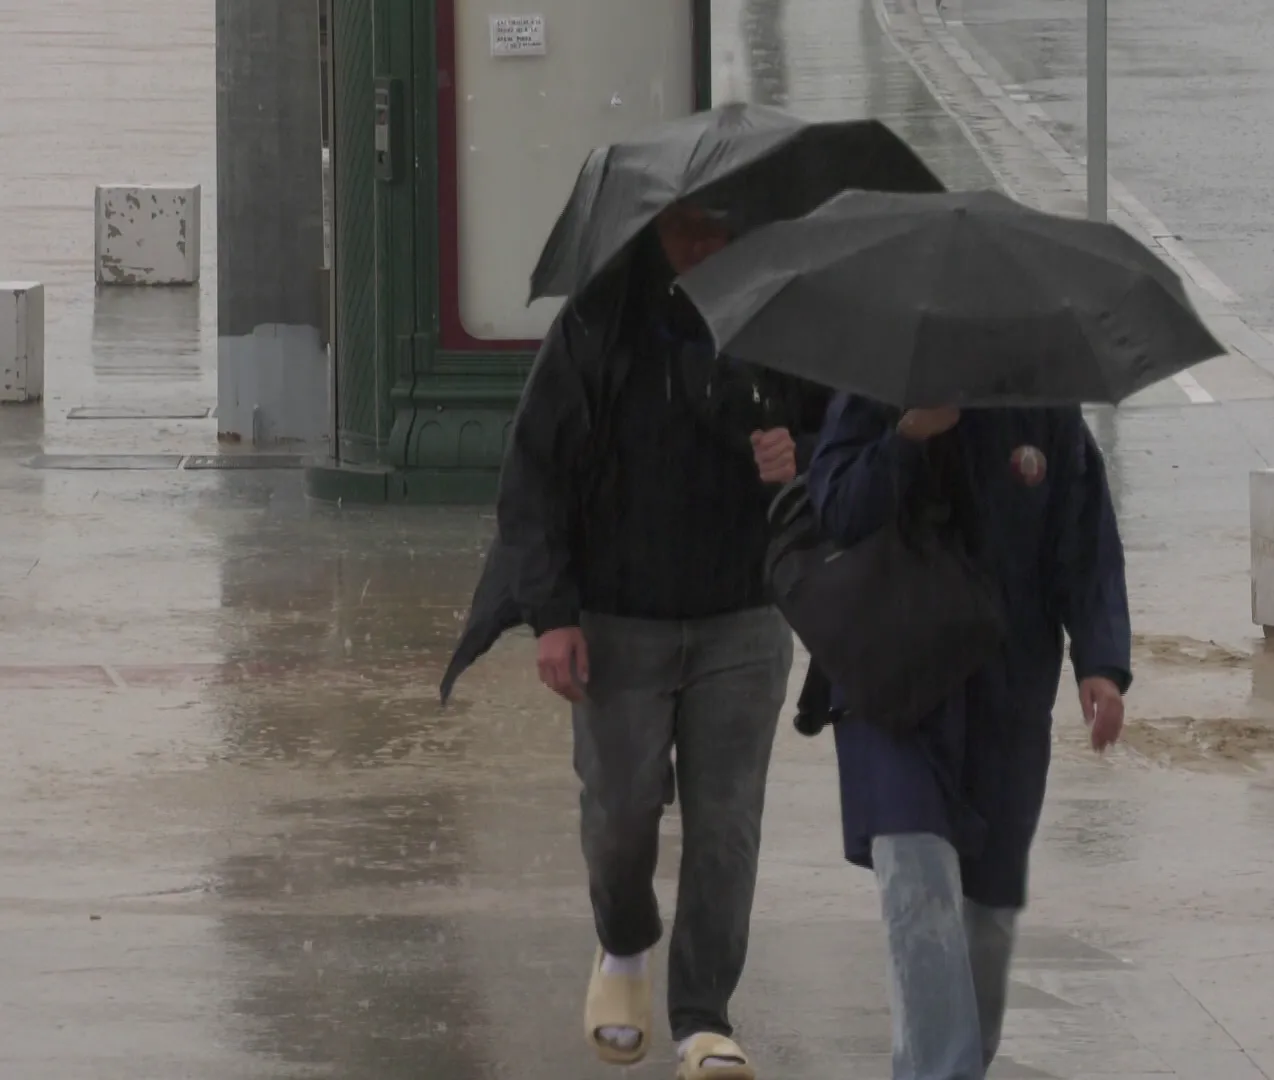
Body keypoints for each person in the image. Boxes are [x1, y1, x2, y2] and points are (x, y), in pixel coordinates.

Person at [443, 203, 827, 1079]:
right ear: (651, 228)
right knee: (620, 816)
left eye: (722, 226)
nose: (704, 243)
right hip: (618, 621)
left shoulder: (778, 321)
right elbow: (534, 475)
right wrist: (553, 615)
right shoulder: (597, 326)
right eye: (686, 226)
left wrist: (798, 451)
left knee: (727, 828)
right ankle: (622, 946)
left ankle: (703, 1019)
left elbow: (844, 437)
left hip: (744, 615)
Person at [807, 397, 1131, 1080]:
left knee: (989, 917)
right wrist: (906, 440)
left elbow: (1084, 545)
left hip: (1007, 694)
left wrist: (1100, 662)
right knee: (917, 886)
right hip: (893, 688)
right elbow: (837, 512)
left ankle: (958, 1066)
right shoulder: (873, 388)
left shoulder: (1044, 408)